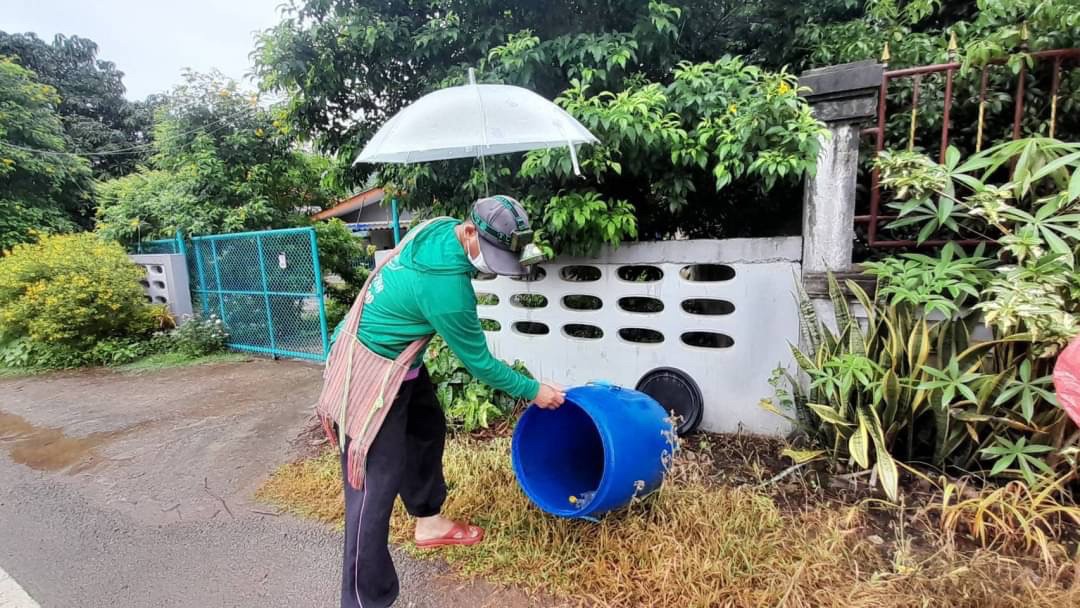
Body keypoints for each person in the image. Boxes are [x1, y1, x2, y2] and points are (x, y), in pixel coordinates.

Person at [331, 195, 565, 608]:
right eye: (491, 253)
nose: (493, 266)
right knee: (372, 486)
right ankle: (363, 600)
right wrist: (534, 391)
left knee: (426, 429)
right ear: (470, 231)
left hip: (403, 363)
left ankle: (429, 522)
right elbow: (481, 365)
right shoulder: (447, 289)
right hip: (368, 371)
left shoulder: (440, 227)